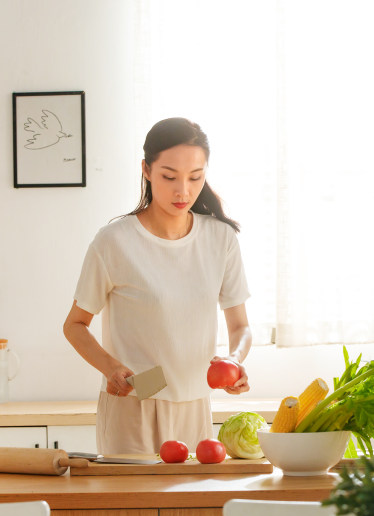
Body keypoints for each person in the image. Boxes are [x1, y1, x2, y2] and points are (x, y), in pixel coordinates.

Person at [63, 118, 252, 455]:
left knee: (192, 507)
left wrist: (235, 361)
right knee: (131, 508)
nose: (183, 191)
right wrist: (110, 367)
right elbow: (75, 325)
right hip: (135, 401)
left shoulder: (220, 238)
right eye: (169, 176)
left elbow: (241, 327)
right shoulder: (114, 241)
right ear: (146, 170)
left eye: (195, 177)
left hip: (195, 402)